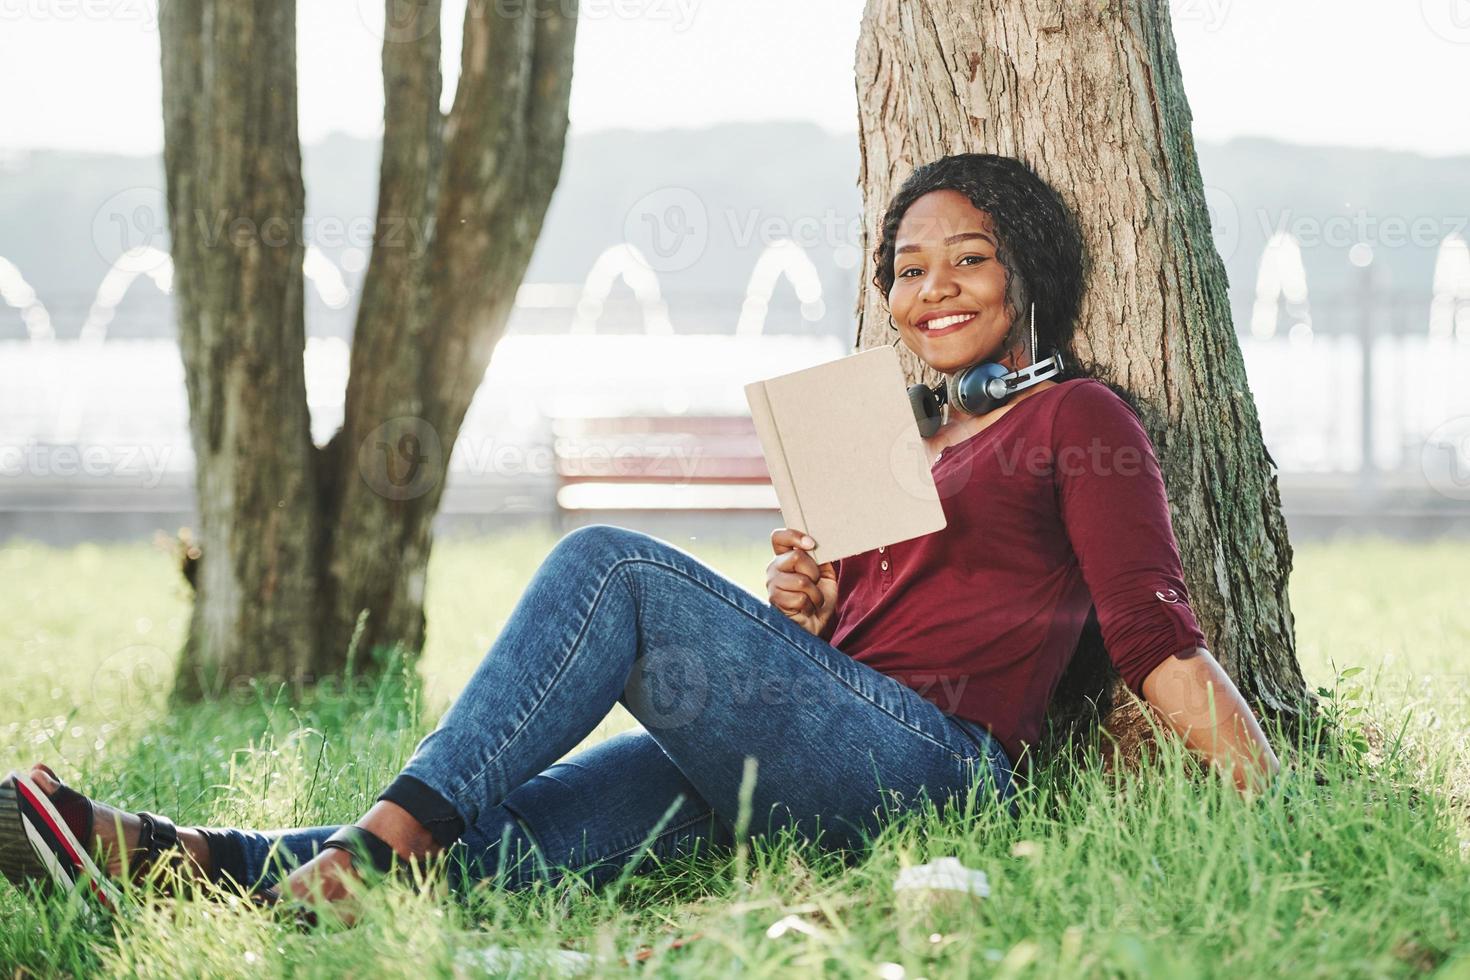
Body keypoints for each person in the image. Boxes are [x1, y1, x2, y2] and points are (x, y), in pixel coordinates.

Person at [1, 153, 1279, 920]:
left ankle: (373, 848)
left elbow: (1150, 629)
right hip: (818, 747)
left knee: (611, 562)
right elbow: (873, 636)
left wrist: (1268, 801)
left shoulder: (1076, 414)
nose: (931, 287)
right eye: (907, 265)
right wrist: (808, 615)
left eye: (968, 260)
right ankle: (171, 854)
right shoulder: (904, 430)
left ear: (1027, 274)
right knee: (518, 833)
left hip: (938, 770)